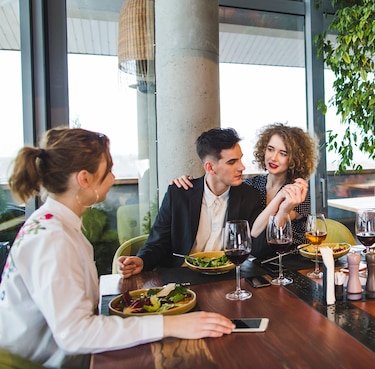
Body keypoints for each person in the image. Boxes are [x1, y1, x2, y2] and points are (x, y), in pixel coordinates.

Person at [0, 128, 234, 367]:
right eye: (108, 170)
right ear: (84, 179)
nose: (113, 177)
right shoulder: (52, 239)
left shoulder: (57, 224)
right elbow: (75, 334)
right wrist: (172, 324)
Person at [117, 128, 270, 278]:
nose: (242, 167)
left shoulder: (250, 196)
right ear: (210, 167)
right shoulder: (179, 193)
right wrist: (141, 260)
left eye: (240, 159)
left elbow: (257, 247)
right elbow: (157, 242)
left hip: (229, 277)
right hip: (183, 275)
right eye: (232, 162)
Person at [174, 123, 318, 246]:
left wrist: (280, 198)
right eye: (270, 149)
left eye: (283, 153)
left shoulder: (298, 191)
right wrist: (190, 182)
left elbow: (269, 229)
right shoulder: (252, 184)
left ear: (294, 159)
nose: (273, 158)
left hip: (292, 258)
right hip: (257, 260)